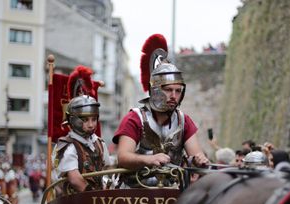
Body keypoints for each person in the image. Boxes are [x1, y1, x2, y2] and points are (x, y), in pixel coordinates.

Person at [112, 34, 209, 177]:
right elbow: (123, 157)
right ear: (156, 90)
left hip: (172, 188)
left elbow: (195, 154)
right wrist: (149, 159)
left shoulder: (184, 121)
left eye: (178, 91)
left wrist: (199, 159)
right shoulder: (134, 118)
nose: (174, 96)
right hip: (134, 193)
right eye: (168, 90)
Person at [53, 65, 110, 193]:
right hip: (74, 203)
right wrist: (95, 196)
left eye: (93, 119)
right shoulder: (68, 146)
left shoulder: (99, 143)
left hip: (98, 202)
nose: (91, 124)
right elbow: (75, 179)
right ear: (73, 120)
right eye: (85, 120)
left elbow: (107, 168)